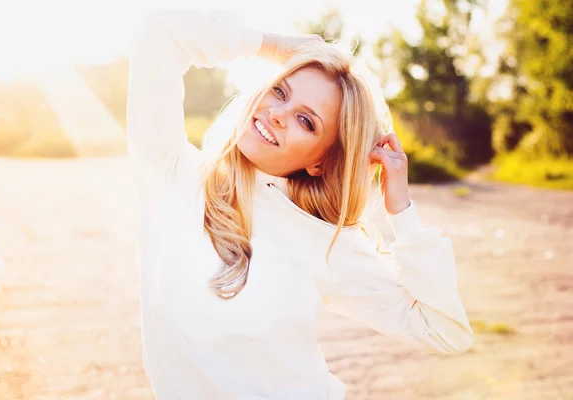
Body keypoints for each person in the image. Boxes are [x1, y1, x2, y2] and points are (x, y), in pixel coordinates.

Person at [126, 7, 474, 399]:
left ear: (320, 160)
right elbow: (161, 29)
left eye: (306, 121)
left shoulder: (322, 241)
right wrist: (276, 46)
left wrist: (403, 213)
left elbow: (445, 331)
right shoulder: (171, 174)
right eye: (279, 91)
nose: (277, 115)